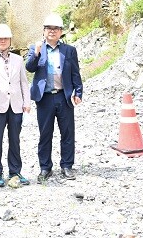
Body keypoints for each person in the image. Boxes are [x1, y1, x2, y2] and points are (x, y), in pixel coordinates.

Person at [25, 13, 83, 183]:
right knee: (45, 134)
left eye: (55, 28)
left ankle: (66, 165)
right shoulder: (35, 48)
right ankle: (45, 168)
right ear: (43, 31)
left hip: (64, 96)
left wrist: (78, 92)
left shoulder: (69, 50)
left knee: (67, 133)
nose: (52, 31)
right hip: (44, 98)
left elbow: (75, 73)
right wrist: (35, 53)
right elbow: (29, 67)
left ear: (61, 32)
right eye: (49, 28)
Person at [0, 24, 31, 187]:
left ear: (10, 41)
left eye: (5, 38)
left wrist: (27, 102)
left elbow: (24, 82)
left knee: (15, 139)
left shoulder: (18, 59)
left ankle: (15, 171)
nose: (2, 41)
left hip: (15, 105)